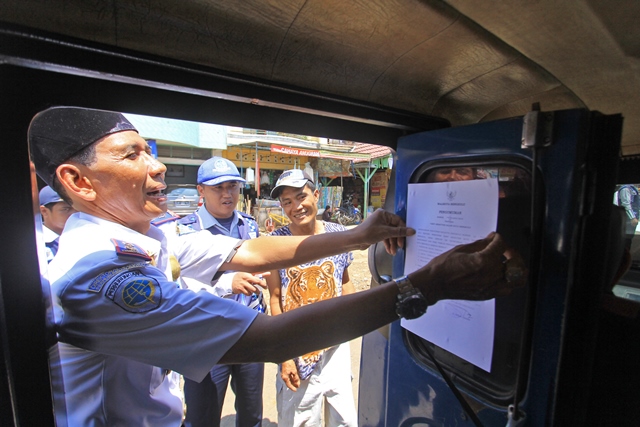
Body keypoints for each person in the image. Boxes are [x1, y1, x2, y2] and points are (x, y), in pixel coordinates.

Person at [28, 106, 525, 426]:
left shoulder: (148, 238)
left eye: (150, 151)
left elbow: (253, 251)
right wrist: (429, 285)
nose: (156, 166)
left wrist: (358, 234)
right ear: (79, 181)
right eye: (132, 154)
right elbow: (272, 338)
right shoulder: (102, 275)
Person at [266, 169, 357, 427]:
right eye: (287, 202)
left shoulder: (338, 233)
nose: (297, 206)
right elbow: (275, 299)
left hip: (336, 346)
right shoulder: (275, 243)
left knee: (344, 420)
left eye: (301, 196)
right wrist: (285, 356)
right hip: (298, 348)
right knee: (302, 420)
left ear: (316, 195)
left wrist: (351, 327)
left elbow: (345, 282)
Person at [179, 156, 265, 427]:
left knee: (251, 412)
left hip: (250, 332)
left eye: (233, 186)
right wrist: (228, 283)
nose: (227, 194)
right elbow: (183, 287)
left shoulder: (248, 225)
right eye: (218, 188)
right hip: (207, 337)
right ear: (200, 190)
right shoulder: (184, 230)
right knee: (203, 415)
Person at [38, 185, 76, 262]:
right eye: (66, 209)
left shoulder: (85, 236)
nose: (75, 213)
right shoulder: (36, 243)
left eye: (78, 208)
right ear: (44, 211)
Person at [615, 184, 640, 250]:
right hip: (628, 219)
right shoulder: (626, 189)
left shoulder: (632, 188)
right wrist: (632, 217)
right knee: (625, 240)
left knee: (628, 239)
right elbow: (626, 204)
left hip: (632, 218)